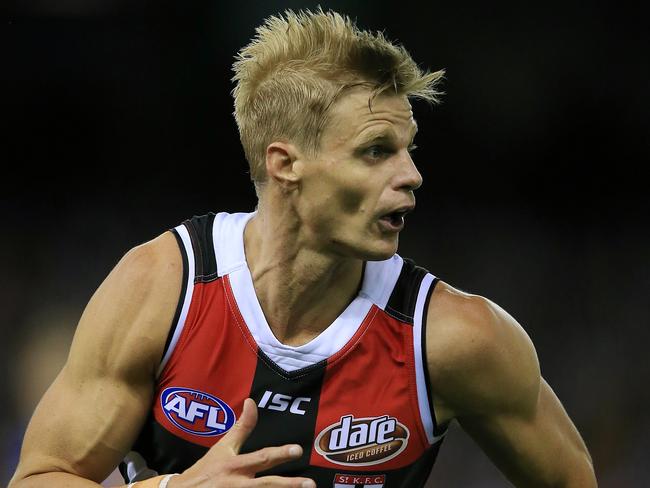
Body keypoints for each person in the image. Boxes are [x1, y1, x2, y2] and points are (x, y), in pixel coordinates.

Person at [10, 9, 597, 488]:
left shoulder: (456, 339)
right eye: (376, 150)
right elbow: (41, 477)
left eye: (408, 148)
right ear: (286, 164)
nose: (413, 174)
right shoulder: (162, 289)